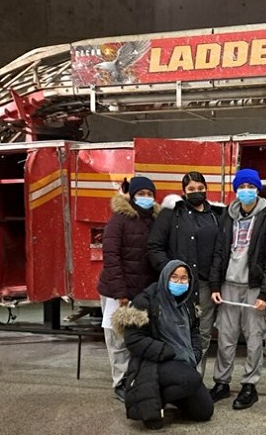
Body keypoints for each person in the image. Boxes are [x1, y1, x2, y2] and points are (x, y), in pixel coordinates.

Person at [207, 168, 266, 410]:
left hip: (253, 288)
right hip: (228, 286)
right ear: (236, 190)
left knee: (253, 339)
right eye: (242, 187)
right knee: (226, 339)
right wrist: (215, 284)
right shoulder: (227, 217)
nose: (246, 191)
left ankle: (250, 385)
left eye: (251, 187)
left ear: (258, 189)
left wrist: (265, 293)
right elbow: (219, 252)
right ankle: (221, 382)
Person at [112, 260, 214, 430]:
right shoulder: (145, 301)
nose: (179, 282)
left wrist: (195, 352)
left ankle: (165, 395)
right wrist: (165, 351)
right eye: (174, 277)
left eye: (183, 278)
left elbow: (194, 331)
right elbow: (134, 339)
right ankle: (150, 399)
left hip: (182, 363)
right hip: (155, 362)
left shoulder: (188, 303)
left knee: (204, 412)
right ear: (165, 277)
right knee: (192, 379)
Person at [147, 171, 222, 378]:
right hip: (178, 286)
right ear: (184, 192)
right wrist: (170, 271)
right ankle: (175, 381)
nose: (196, 192)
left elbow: (219, 252)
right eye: (191, 189)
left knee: (202, 335)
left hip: (205, 288)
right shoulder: (171, 214)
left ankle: (194, 380)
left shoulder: (216, 216)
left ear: (206, 189)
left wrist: (215, 283)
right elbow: (154, 246)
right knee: (174, 334)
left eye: (200, 188)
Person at [97, 176, 160, 402]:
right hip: (118, 292)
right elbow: (111, 258)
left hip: (143, 290)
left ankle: (136, 378)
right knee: (117, 338)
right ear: (132, 195)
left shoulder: (154, 219)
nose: (146, 198)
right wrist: (120, 292)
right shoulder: (119, 220)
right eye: (141, 194)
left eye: (149, 194)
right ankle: (120, 381)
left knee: (138, 337)